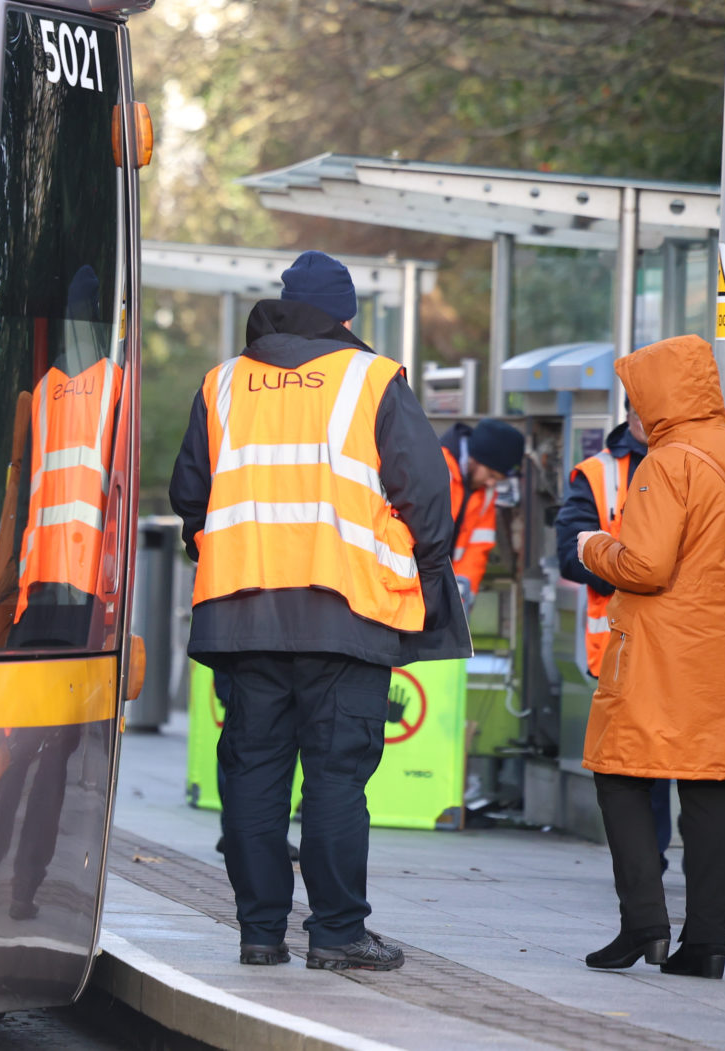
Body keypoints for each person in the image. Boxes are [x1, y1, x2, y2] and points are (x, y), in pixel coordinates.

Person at [170, 250, 470, 973]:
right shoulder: (371, 379)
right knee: (335, 776)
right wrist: (427, 571)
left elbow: (190, 493)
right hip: (348, 611)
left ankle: (260, 932)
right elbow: (426, 493)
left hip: (241, 613)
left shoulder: (224, 382)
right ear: (346, 317)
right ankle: (337, 933)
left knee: (252, 772)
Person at [575, 335, 725, 980]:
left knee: (620, 775)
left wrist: (592, 547)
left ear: (656, 402)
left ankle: (643, 925)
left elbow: (643, 565)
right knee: (711, 792)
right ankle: (706, 946)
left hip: (662, 653)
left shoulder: (665, 463)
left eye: (636, 400)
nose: (633, 414)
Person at [556, 406, 672, 872]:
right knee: (638, 761)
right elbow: (569, 552)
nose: (647, 415)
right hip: (622, 641)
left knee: (690, 760)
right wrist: (628, 571)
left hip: (685, 637)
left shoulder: (694, 461)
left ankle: (668, 864)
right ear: (628, 413)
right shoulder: (597, 472)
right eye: (638, 407)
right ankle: (649, 864)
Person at [439, 416, 524, 612]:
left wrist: (460, 596)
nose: (492, 484)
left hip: (441, 594)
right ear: (476, 457)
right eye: (492, 475)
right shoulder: (437, 468)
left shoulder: (484, 492)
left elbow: (477, 549)